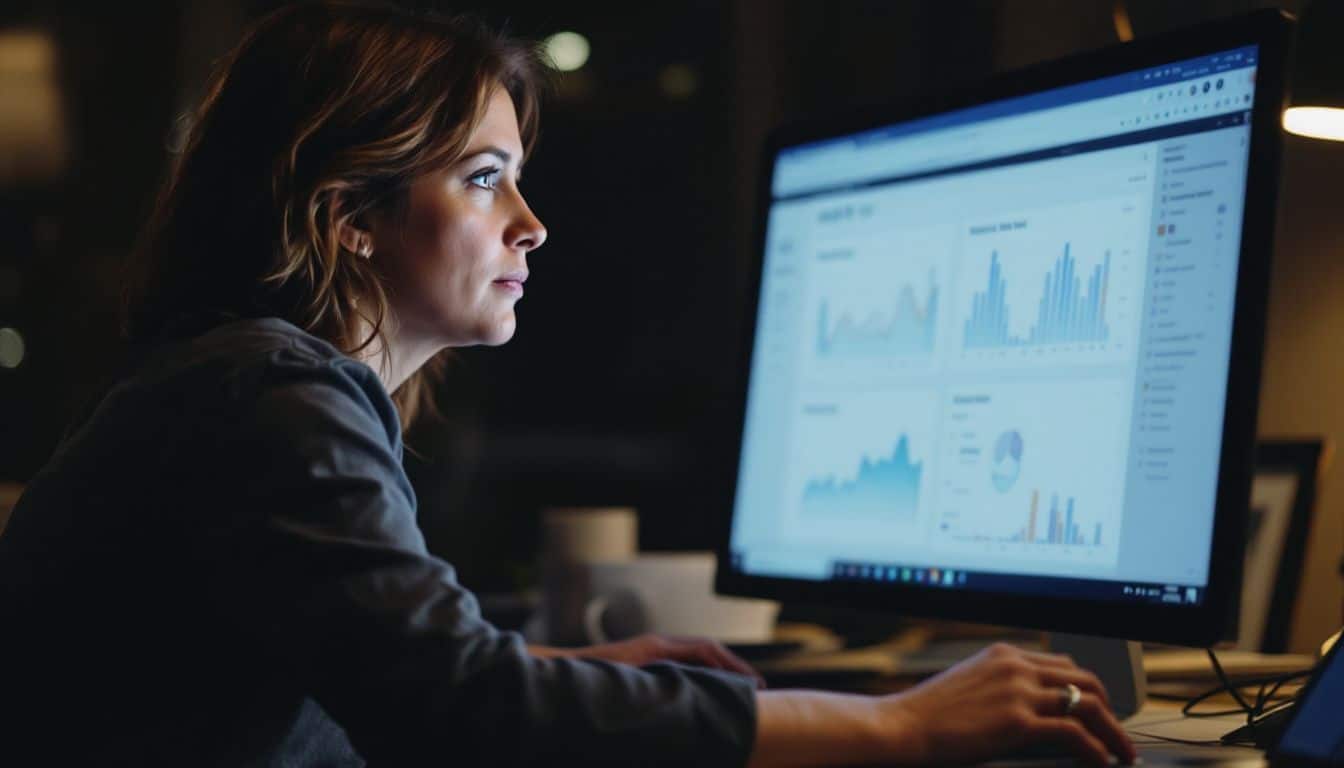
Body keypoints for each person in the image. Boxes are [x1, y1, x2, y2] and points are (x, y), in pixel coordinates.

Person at [0, 2, 1137, 766]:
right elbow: (460, 714)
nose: (532, 226)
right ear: (346, 214)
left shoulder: (244, 382)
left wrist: (540, 665)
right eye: (485, 179)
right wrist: (899, 727)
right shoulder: (272, 397)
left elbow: (372, 671)